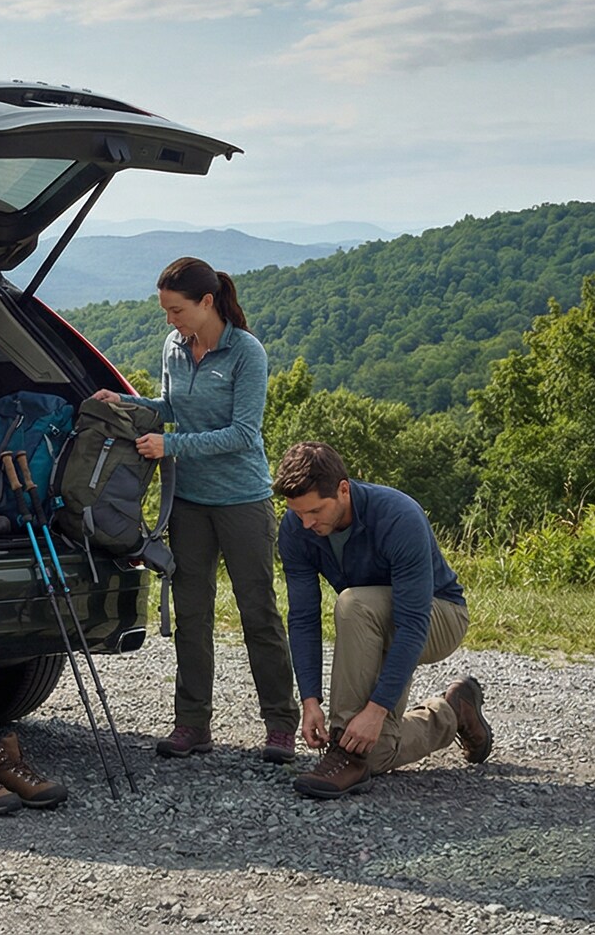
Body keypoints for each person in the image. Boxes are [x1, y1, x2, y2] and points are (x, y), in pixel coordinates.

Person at [93, 256, 296, 761]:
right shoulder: (173, 347)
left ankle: (280, 724)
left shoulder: (246, 353)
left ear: (207, 303)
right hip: (187, 502)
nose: (170, 320)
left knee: (259, 614)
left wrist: (172, 447)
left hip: (243, 501)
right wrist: (123, 401)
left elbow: (244, 434)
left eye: (176, 310)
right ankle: (191, 725)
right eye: (165, 311)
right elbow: (169, 408)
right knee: (191, 614)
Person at [273, 441, 493, 798]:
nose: (306, 523)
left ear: (343, 489)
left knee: (352, 604)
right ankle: (453, 712)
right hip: (374, 620)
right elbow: (302, 617)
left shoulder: (397, 515)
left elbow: (412, 623)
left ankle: (344, 753)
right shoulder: (296, 528)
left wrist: (376, 711)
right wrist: (309, 700)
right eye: (297, 513)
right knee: (377, 751)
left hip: (438, 615)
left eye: (314, 511)